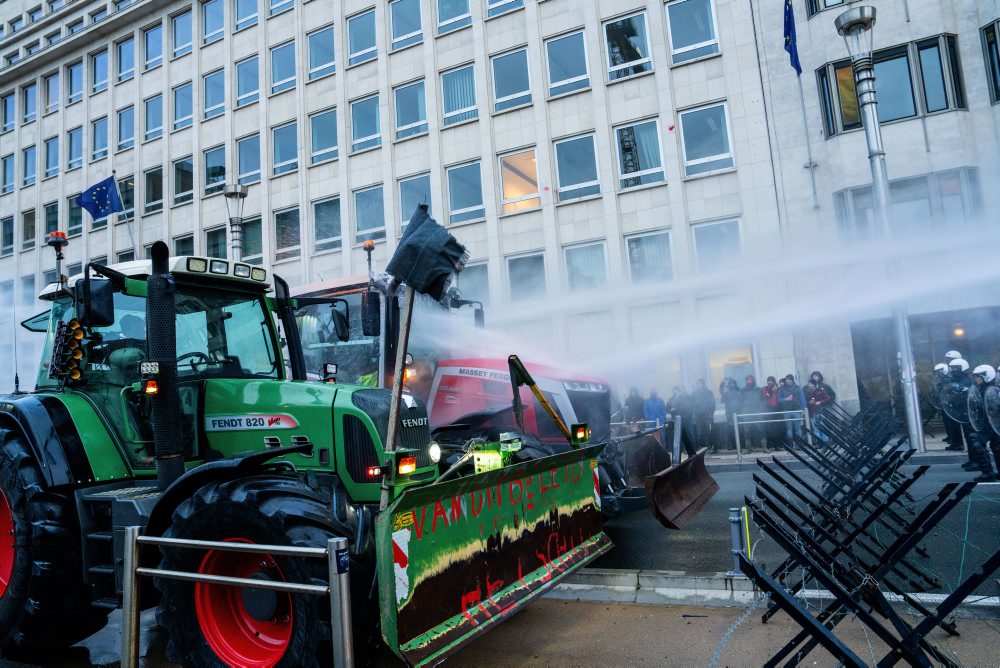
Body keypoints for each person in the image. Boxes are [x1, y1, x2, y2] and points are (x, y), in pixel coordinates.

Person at [968, 365, 999, 482]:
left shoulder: (993, 390)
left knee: (978, 444)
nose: (976, 379)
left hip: (990, 423)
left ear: (987, 376)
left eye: (978, 377)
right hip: (989, 423)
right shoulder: (980, 389)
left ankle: (987, 473)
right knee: (996, 446)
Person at [667, 386, 696, 456]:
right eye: (674, 391)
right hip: (677, 420)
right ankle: (683, 451)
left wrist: (690, 414)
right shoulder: (671, 399)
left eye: (676, 391)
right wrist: (671, 410)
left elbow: (688, 406)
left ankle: (693, 449)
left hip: (687, 418)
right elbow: (667, 408)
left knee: (690, 434)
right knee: (680, 435)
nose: (675, 392)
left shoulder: (685, 397)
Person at [738, 375, 764, 452]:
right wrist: (742, 410)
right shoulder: (743, 390)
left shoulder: (758, 389)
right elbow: (740, 401)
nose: (749, 381)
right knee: (747, 431)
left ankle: (764, 447)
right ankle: (748, 448)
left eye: (750, 380)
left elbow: (762, 400)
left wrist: (761, 410)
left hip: (757, 412)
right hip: (746, 412)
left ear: (753, 380)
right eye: (747, 380)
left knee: (761, 430)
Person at [779, 374, 805, 446]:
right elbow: (778, 400)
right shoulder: (782, 389)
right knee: (789, 429)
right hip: (786, 411)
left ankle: (799, 445)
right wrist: (786, 399)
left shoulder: (798, 388)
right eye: (786, 379)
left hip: (797, 410)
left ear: (792, 380)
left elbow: (802, 399)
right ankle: (791, 445)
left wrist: (804, 410)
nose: (787, 380)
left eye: (789, 379)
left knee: (798, 429)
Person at [691, 379, 716, 451]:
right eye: (698, 384)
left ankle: (712, 447)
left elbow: (712, 403)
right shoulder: (694, 393)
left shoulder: (708, 392)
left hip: (707, 415)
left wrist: (711, 413)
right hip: (698, 416)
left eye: (701, 384)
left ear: (704, 384)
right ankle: (702, 447)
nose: (700, 385)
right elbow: (692, 404)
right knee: (699, 432)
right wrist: (694, 414)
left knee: (709, 431)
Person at [761, 376, 782, 450]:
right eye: (768, 380)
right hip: (767, 410)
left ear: (774, 382)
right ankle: (770, 446)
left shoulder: (778, 389)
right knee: (768, 428)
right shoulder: (764, 389)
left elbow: (780, 398)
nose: (770, 382)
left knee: (776, 428)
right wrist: (772, 391)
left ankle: (777, 446)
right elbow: (765, 396)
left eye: (771, 380)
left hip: (776, 410)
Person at [719, 377, 740, 450]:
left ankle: (740, 445)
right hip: (729, 413)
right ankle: (731, 445)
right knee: (730, 430)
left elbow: (741, 400)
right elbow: (721, 391)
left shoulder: (738, 390)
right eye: (731, 384)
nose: (732, 385)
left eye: (733, 384)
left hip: (737, 412)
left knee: (738, 429)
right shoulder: (726, 392)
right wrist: (722, 383)